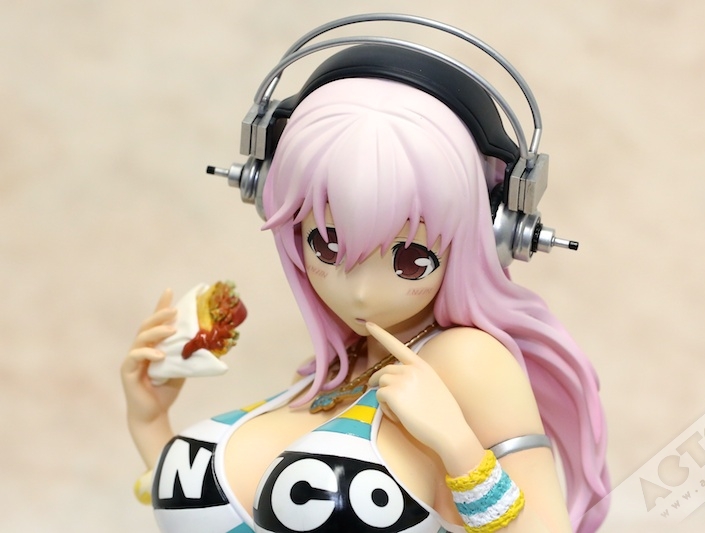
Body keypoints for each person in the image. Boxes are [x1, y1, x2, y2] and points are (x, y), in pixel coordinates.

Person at [122, 44, 609, 533]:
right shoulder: (341, 368)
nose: (359, 291)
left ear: (495, 234)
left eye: (410, 259)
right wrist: (149, 421)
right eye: (326, 245)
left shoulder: (467, 361)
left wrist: (460, 450)